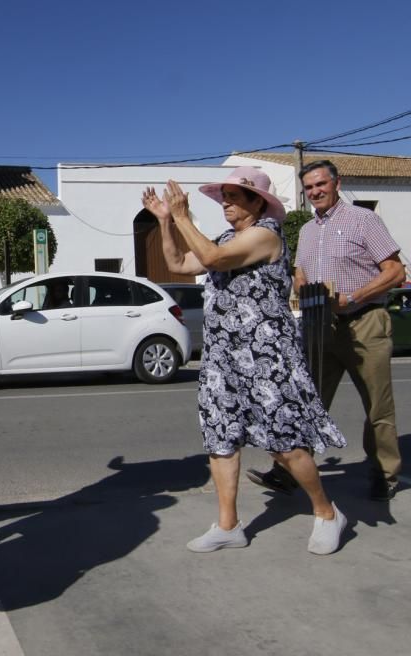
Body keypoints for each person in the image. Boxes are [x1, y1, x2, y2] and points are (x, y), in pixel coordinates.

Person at [141, 166, 347, 555]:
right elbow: (179, 265)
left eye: (235, 197)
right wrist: (168, 222)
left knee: (285, 444)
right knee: (221, 441)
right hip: (223, 358)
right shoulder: (222, 236)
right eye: (224, 197)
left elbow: (214, 258)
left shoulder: (265, 236)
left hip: (267, 358)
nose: (226, 204)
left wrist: (184, 216)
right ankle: (228, 525)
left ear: (259, 203)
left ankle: (326, 512)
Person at [247, 159, 405, 502]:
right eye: (309, 187)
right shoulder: (306, 231)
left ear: (336, 183)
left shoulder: (364, 220)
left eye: (321, 184)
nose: (316, 191)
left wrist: (352, 297)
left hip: (364, 322)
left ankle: (385, 474)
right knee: (308, 402)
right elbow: (301, 272)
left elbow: (395, 272)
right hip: (320, 326)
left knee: (377, 407)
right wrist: (302, 285)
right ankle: (289, 473)